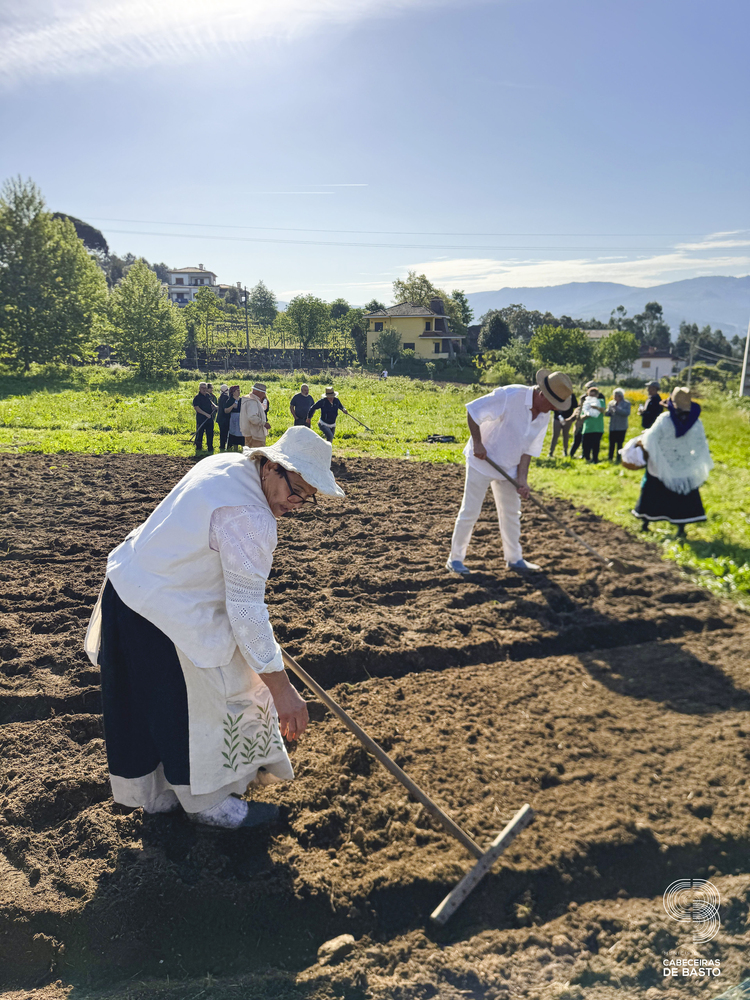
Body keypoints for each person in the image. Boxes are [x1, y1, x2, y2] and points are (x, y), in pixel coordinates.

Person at [84, 426, 345, 830]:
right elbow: (245, 609)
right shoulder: (250, 517)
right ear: (272, 467)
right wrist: (282, 689)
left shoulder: (224, 464)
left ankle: (164, 797)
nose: (296, 504)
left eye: (307, 498)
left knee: (156, 703)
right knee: (197, 699)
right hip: (159, 610)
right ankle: (210, 806)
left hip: (129, 589)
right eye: (295, 490)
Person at [446, 369, 574, 576]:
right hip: (482, 461)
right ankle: (455, 559)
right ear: (542, 394)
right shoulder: (510, 395)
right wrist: (477, 443)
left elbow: (528, 450)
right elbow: (473, 411)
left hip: (510, 468)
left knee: (511, 514)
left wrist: (522, 480)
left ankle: (514, 559)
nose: (552, 409)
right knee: (470, 511)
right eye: (551, 403)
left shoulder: (543, 416)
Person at [632, 387, 712, 538]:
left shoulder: (664, 420)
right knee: (681, 496)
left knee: (653, 492)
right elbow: (701, 444)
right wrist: (691, 460)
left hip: (662, 463)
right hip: (684, 464)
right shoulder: (696, 423)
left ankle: (646, 523)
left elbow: (651, 438)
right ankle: (681, 528)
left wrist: (644, 436)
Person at [548, 390, 578, 457]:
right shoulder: (556, 394)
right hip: (557, 417)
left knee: (566, 435)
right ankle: (551, 452)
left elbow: (575, 405)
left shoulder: (571, 395)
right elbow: (552, 406)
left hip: (568, 418)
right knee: (555, 435)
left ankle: (565, 451)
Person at [240, 382, 271, 448]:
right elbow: (252, 417)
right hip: (255, 433)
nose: (264, 395)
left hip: (249, 431)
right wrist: (264, 423)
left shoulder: (249, 399)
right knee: (257, 454)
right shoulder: (252, 402)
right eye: (263, 393)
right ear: (258, 392)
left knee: (249, 452)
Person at [605, 388, 632, 462]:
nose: (614, 397)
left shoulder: (626, 403)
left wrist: (617, 409)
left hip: (621, 427)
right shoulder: (611, 403)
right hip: (613, 426)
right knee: (611, 443)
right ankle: (610, 457)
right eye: (614, 395)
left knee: (620, 443)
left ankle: (618, 458)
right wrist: (608, 412)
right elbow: (607, 413)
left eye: (616, 395)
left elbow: (627, 413)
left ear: (621, 396)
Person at [580, 386, 606, 463]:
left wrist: (596, 407)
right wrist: (586, 415)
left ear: (597, 395)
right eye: (590, 395)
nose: (591, 397)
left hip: (597, 428)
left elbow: (603, 410)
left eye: (593, 395)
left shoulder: (600, 401)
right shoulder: (586, 403)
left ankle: (595, 460)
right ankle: (587, 459)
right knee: (585, 446)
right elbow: (581, 416)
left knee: (595, 446)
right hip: (587, 428)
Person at [192, 382, 217, 453]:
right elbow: (197, 408)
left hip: (209, 418)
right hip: (201, 419)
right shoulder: (197, 398)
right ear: (199, 388)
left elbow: (210, 402)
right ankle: (199, 448)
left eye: (205, 388)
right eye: (202, 388)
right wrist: (206, 414)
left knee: (210, 433)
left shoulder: (208, 395)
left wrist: (214, 406)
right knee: (200, 433)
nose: (204, 389)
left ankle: (210, 448)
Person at [217, 383, 231, 451]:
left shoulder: (220, 397)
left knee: (222, 433)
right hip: (225, 418)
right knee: (225, 433)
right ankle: (226, 446)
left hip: (220, 418)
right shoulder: (226, 398)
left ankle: (222, 445)